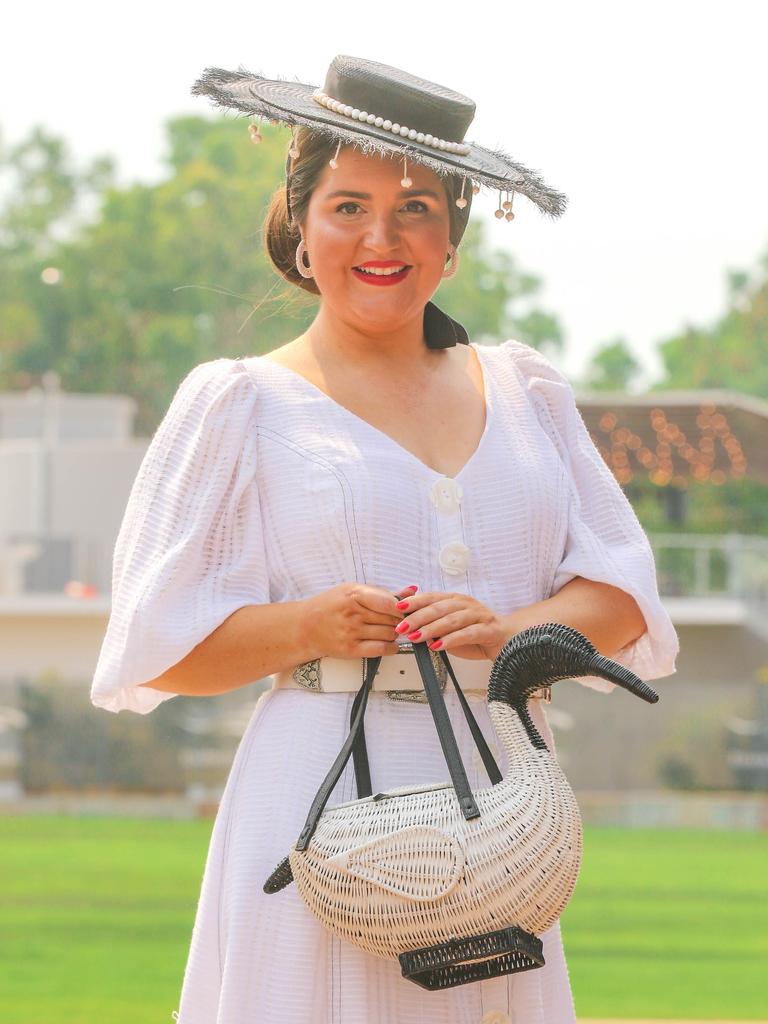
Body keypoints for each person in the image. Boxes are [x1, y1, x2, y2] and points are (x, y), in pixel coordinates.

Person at [90, 55, 679, 1024]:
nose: (381, 236)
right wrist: (308, 625)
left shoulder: (526, 391)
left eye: (416, 208)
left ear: (452, 238)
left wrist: (509, 627)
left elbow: (620, 599)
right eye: (348, 205)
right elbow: (157, 647)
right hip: (315, 805)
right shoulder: (240, 402)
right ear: (299, 222)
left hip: (499, 808)